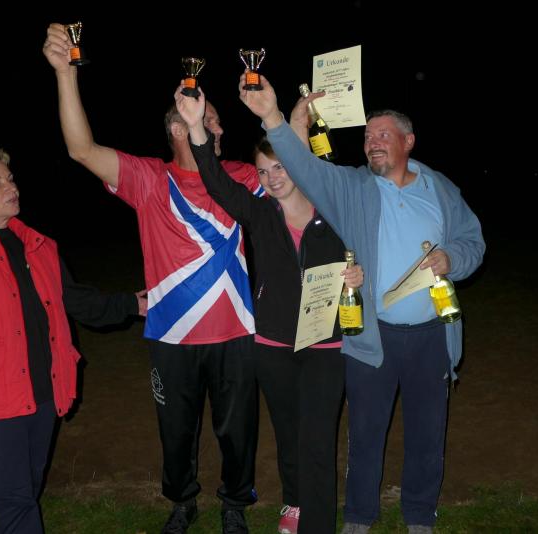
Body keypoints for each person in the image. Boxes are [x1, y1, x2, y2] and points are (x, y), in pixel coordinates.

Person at [239, 73, 485, 534]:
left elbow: (474, 242)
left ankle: (419, 515)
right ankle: (358, 516)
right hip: (375, 336)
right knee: (366, 433)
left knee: (428, 432)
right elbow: (306, 169)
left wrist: (453, 258)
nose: (372, 142)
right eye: (368, 136)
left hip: (433, 335)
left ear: (408, 142)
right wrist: (274, 118)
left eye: (383, 135)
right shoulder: (354, 187)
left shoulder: (440, 190)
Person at [43, 24, 262, 534]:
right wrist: (64, 75)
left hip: (235, 333)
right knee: (176, 432)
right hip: (172, 335)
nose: (218, 127)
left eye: (216, 119)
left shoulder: (243, 177)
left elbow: (300, 189)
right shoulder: (148, 179)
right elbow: (81, 149)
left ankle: (234, 503)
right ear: (179, 129)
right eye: (208, 117)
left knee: (238, 431)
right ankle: (182, 502)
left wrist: (298, 122)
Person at [176, 84, 364, 534]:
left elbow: (369, 248)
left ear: (298, 164)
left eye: (280, 166)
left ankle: (317, 524)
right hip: (274, 344)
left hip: (326, 344)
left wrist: (361, 276)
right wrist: (197, 126)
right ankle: (294, 502)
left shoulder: (334, 210)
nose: (272, 177)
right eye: (263, 172)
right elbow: (216, 181)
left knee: (317, 438)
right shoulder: (260, 214)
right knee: (288, 432)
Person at [0, 148, 145, 533]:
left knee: (22, 495)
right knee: (15, 502)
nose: (11, 188)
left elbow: (76, 301)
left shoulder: (37, 245)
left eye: (10, 179)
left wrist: (131, 304)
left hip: (42, 390)